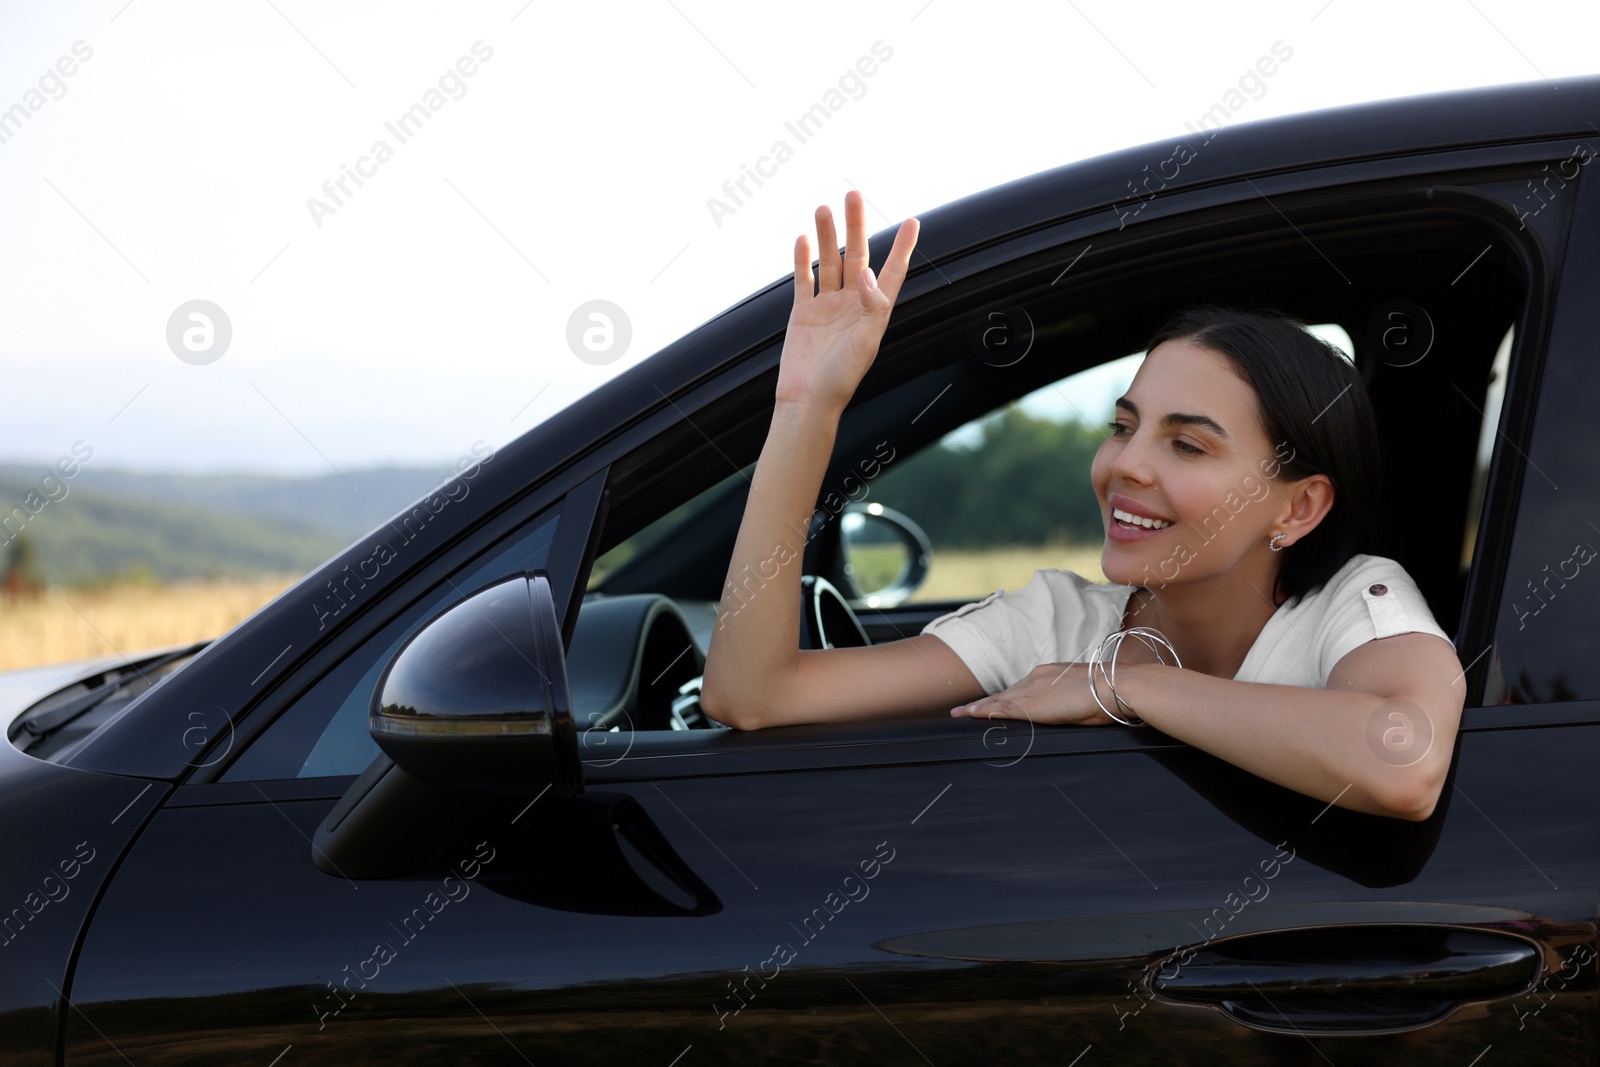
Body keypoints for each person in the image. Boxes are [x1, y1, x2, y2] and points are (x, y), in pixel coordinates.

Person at [698, 190, 1466, 822]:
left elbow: (1404, 760)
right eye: (1123, 428)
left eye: (1187, 445)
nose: (1125, 464)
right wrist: (806, 409)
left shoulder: (1354, 603)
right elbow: (755, 695)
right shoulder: (1054, 624)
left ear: (1298, 508)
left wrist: (1126, 685)